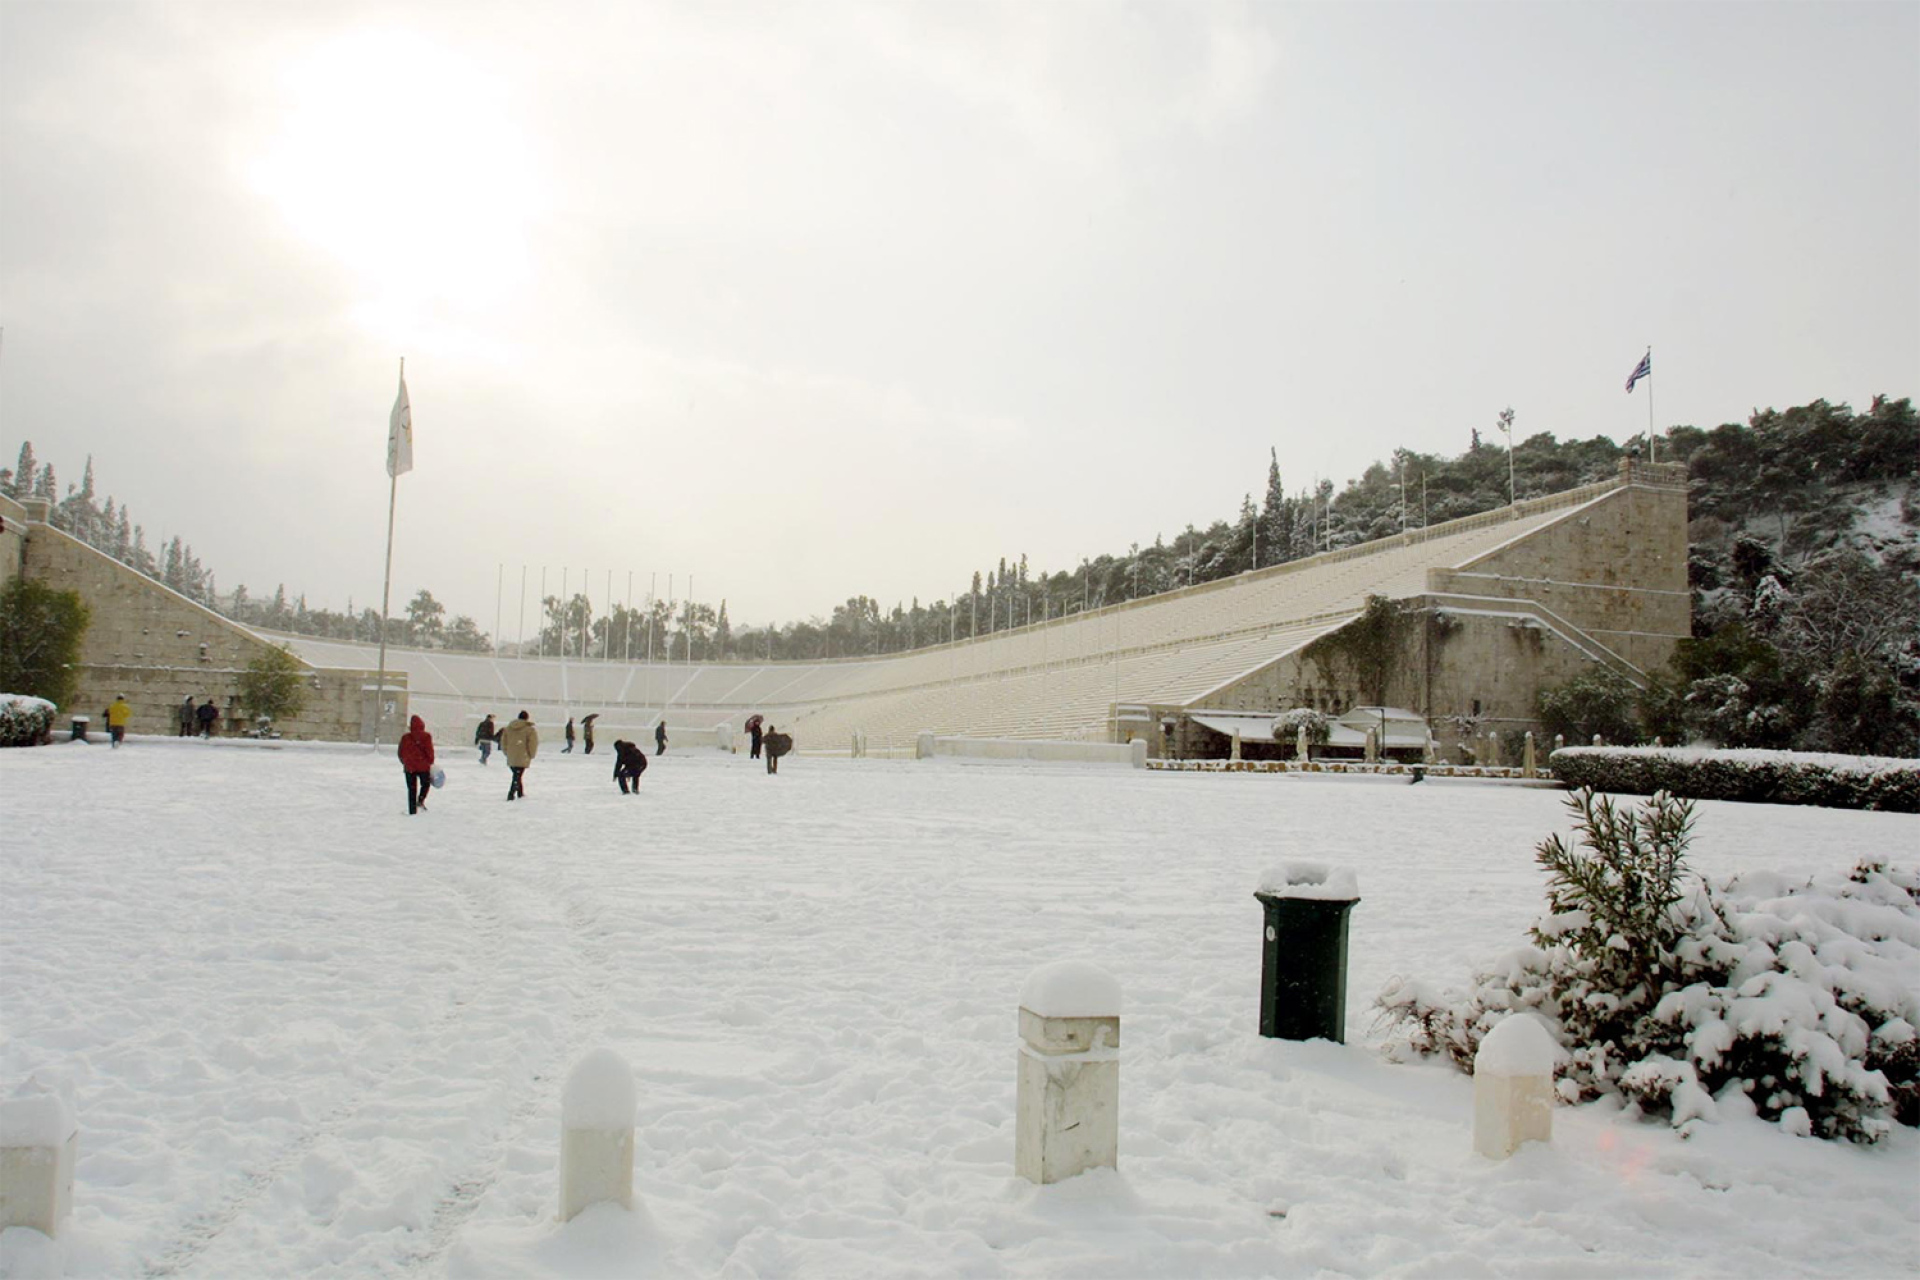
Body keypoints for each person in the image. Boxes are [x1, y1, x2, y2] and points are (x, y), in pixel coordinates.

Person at [398, 714, 435, 814]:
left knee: (411, 789)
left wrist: (405, 762)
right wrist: (430, 762)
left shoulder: (405, 737)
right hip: (423, 767)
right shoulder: (426, 736)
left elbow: (400, 752)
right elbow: (429, 751)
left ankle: (412, 810)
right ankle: (421, 800)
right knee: (425, 784)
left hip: (409, 767)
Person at [500, 710, 539, 800]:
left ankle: (520, 793)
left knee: (517, 774)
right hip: (523, 755)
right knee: (517, 776)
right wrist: (531, 754)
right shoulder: (529, 729)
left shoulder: (509, 728)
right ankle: (511, 794)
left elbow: (503, 741)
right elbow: (532, 743)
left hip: (512, 755)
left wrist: (507, 752)